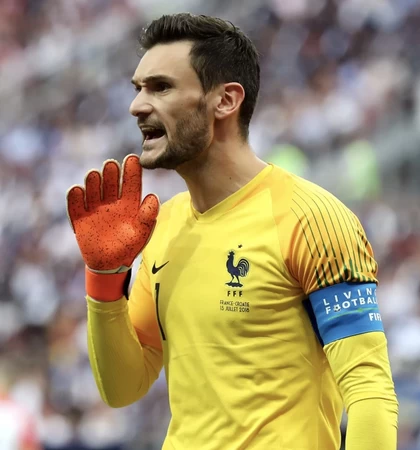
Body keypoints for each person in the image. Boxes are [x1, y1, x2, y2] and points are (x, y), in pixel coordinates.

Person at [66, 13, 398, 450]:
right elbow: (123, 387)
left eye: (161, 87)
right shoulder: (164, 225)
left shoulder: (310, 219)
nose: (137, 106)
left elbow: (370, 393)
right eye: (138, 89)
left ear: (225, 100)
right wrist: (105, 280)